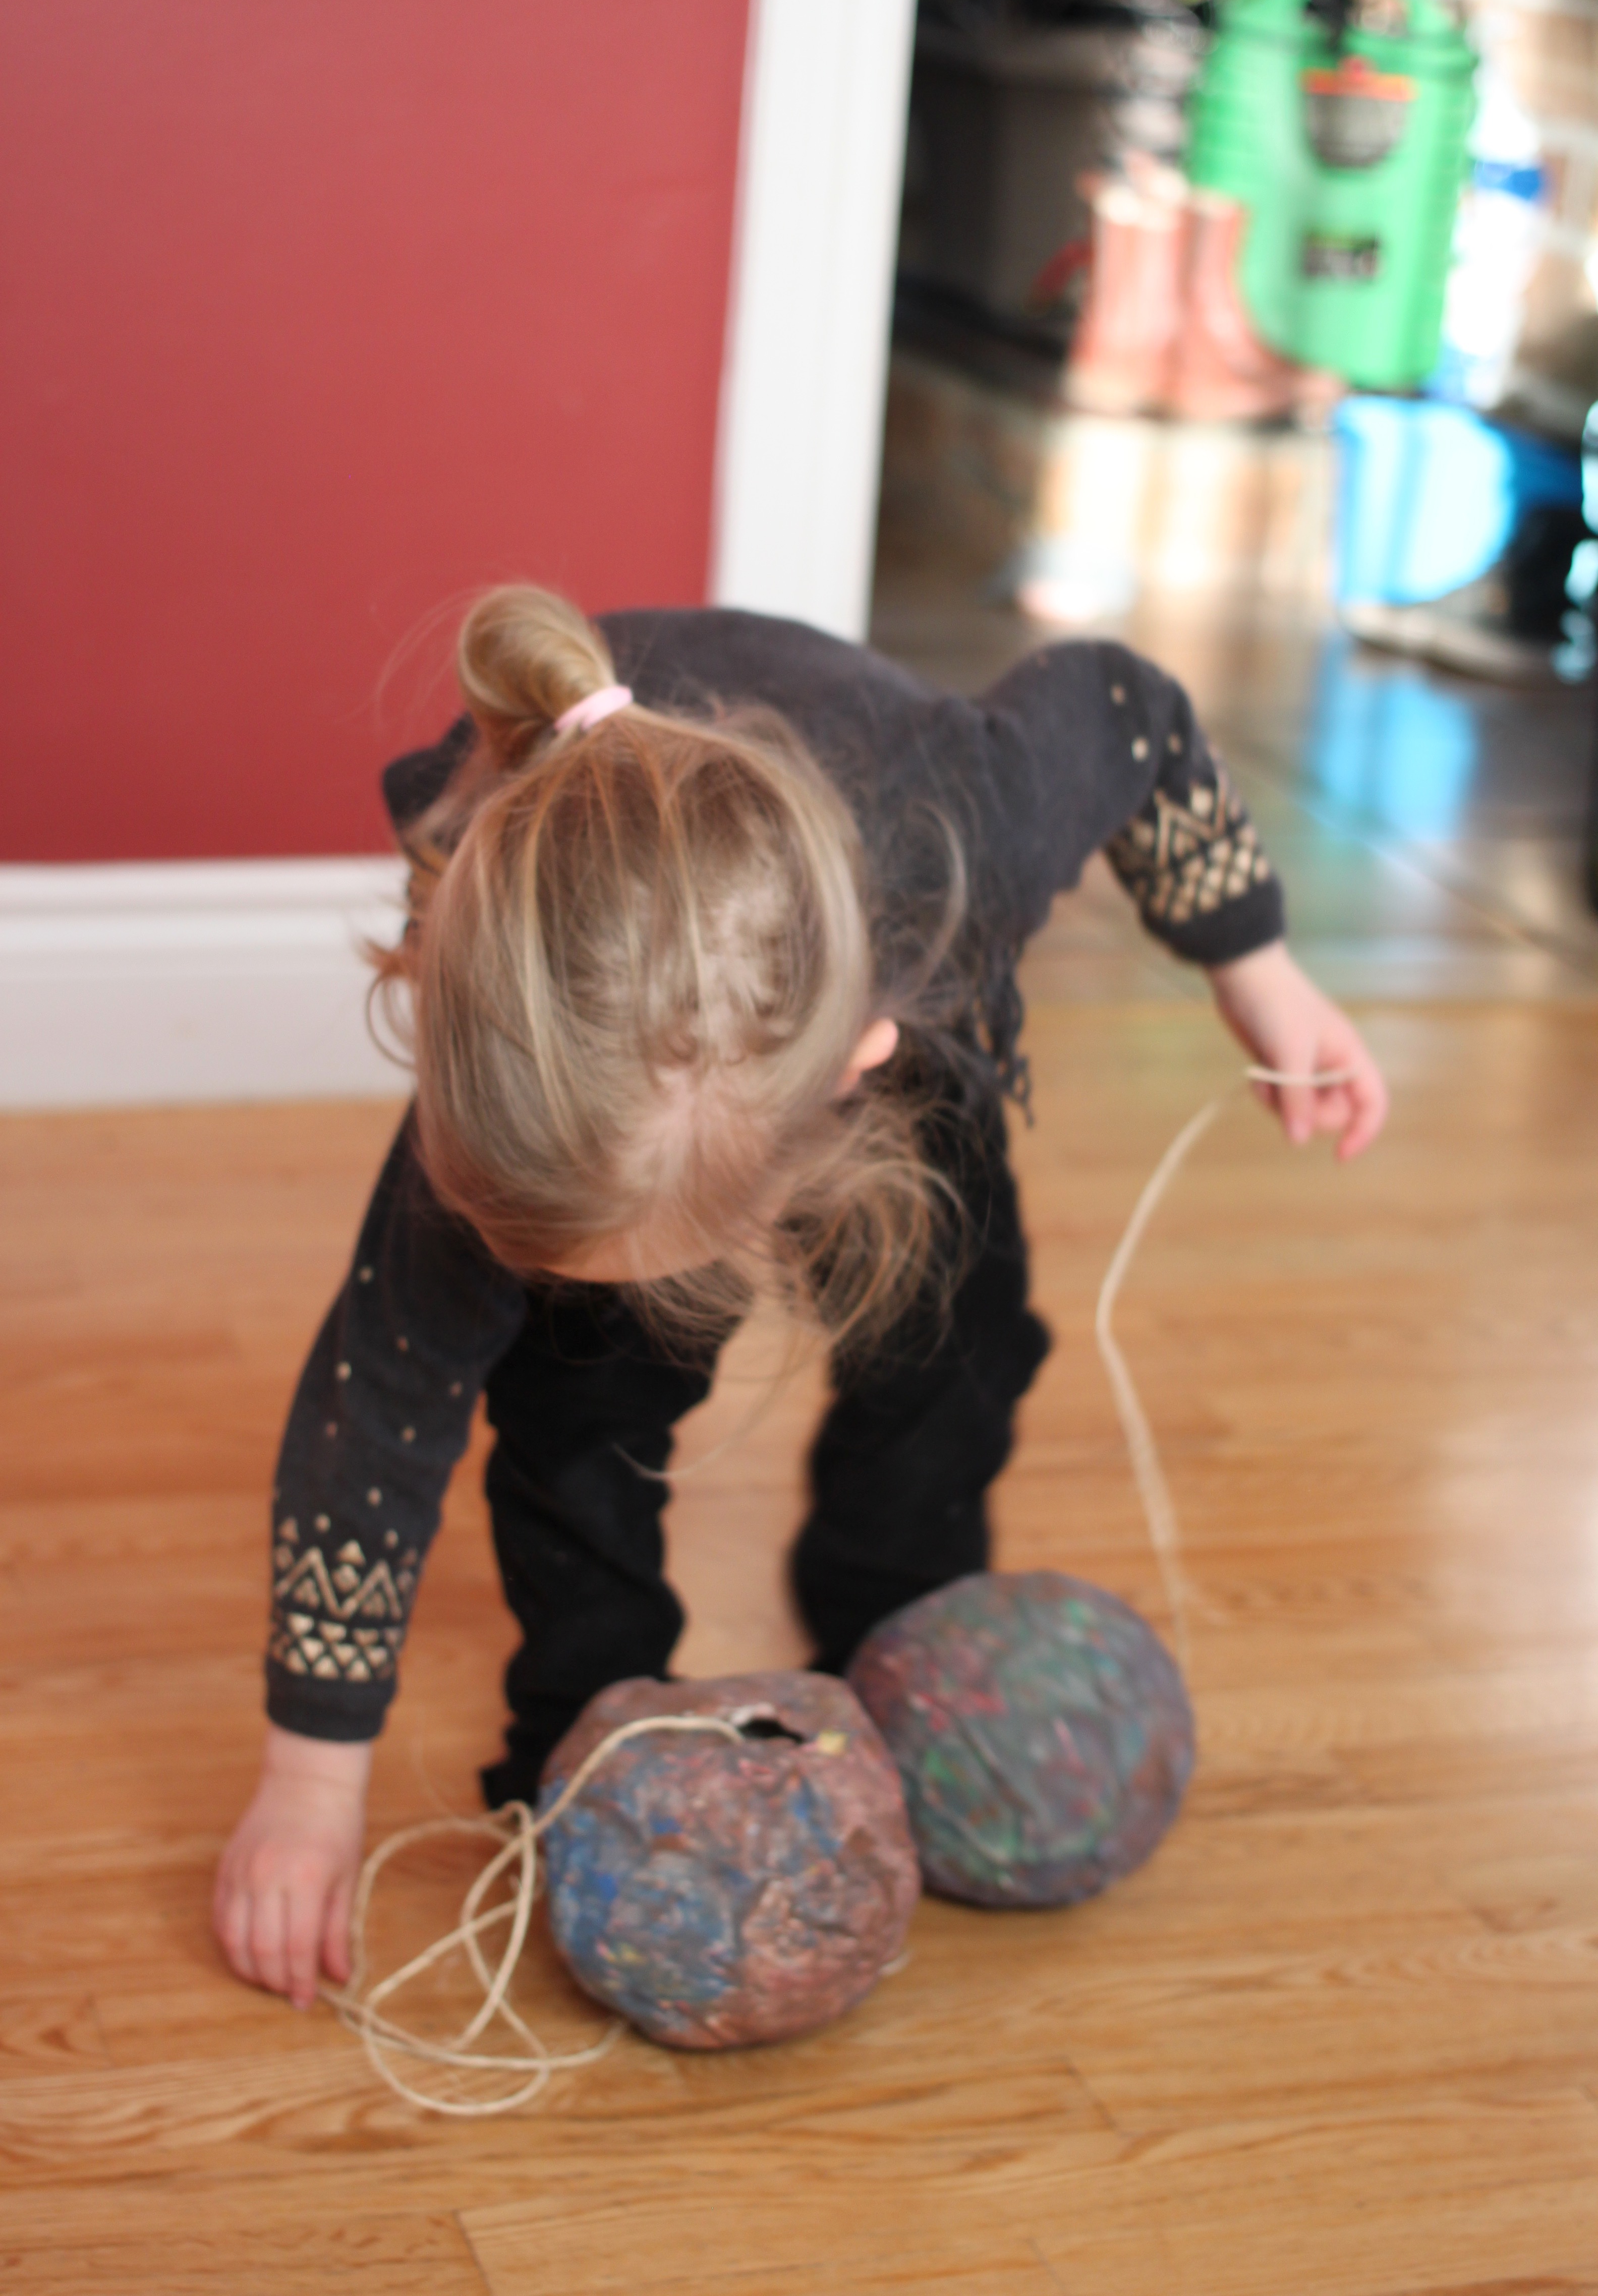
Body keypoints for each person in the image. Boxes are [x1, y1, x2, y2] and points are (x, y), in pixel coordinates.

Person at [213, 588, 1387, 2010]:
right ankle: (594, 1710)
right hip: (632, 995)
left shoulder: (972, 818)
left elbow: (1124, 707)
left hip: (893, 938)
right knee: (575, 1410)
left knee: (949, 1339)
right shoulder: (509, 1121)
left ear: (843, 1084)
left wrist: (1252, 967)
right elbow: (370, 1422)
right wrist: (308, 1784)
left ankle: (895, 1613)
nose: (651, 1292)